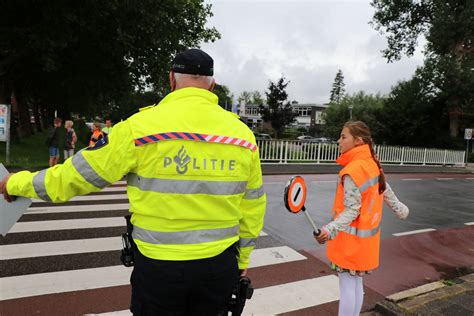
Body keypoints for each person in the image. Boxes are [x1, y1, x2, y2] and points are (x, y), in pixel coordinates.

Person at [0, 48, 266, 315]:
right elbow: (252, 205)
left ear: (171, 79)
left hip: (159, 267)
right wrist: (242, 259)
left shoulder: (139, 128)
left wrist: (15, 183)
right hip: (219, 267)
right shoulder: (242, 136)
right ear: (212, 85)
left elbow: (71, 178)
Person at [314, 121, 409, 316]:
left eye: (343, 137)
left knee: (348, 287)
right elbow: (384, 188)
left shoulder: (352, 170)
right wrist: (400, 208)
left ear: (358, 141)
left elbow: (352, 210)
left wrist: (329, 229)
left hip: (349, 242)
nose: (338, 141)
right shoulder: (371, 163)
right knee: (356, 284)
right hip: (367, 242)